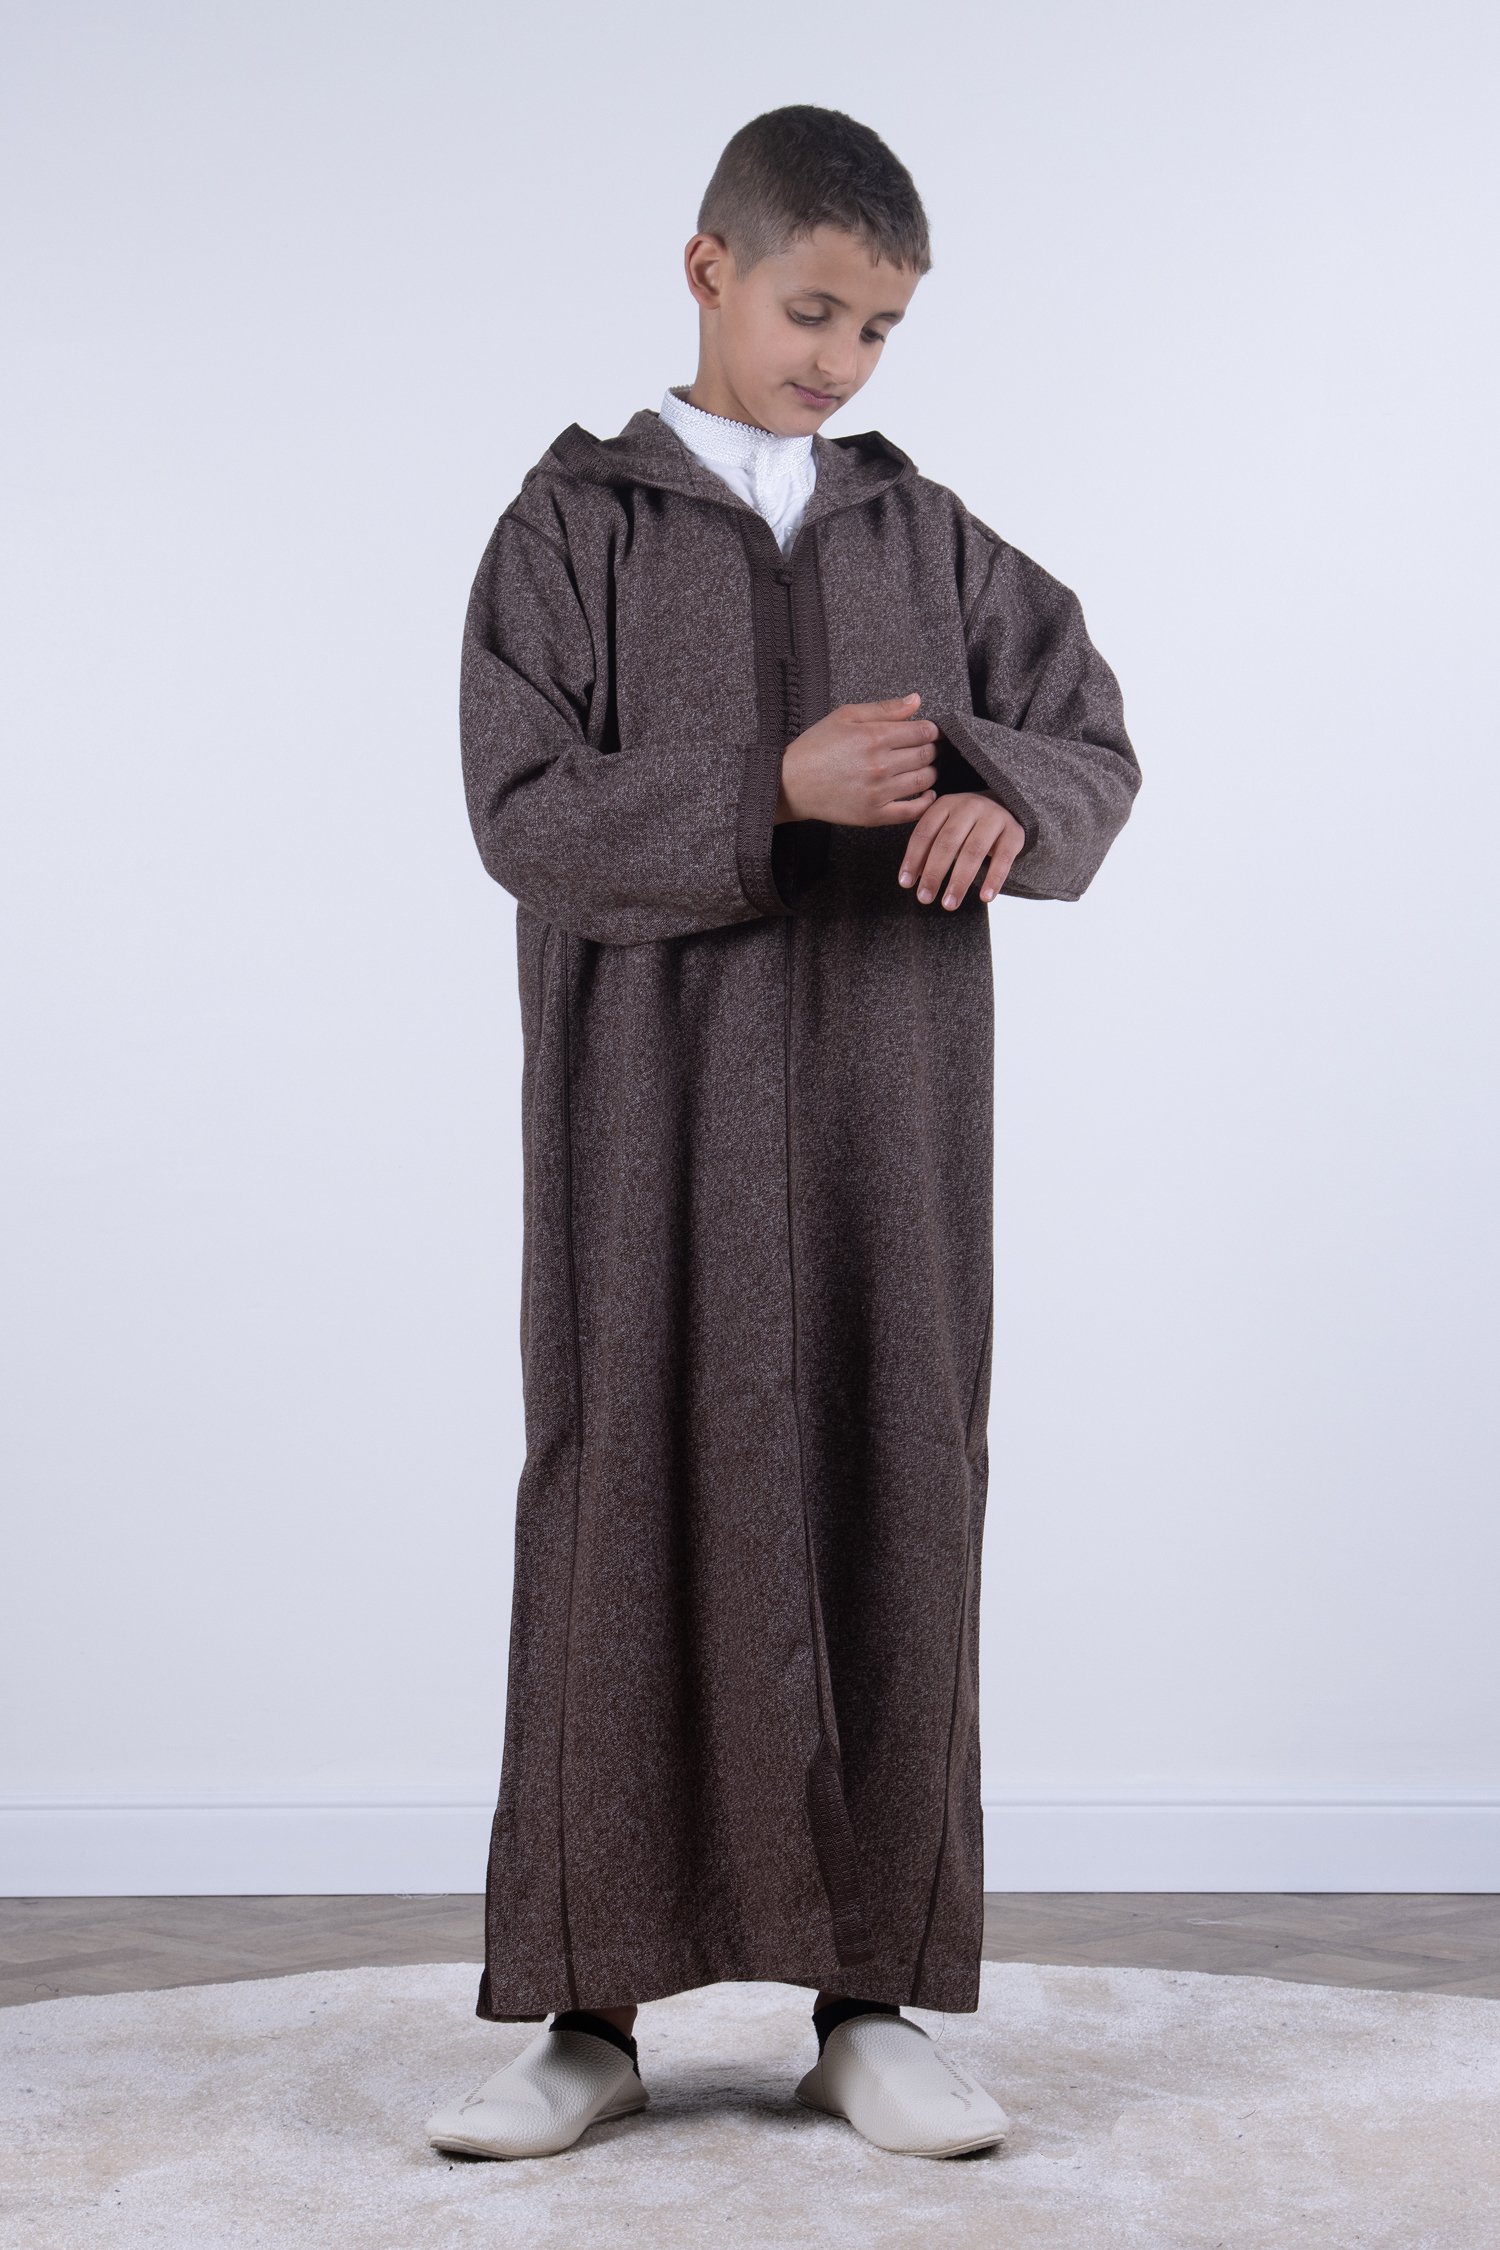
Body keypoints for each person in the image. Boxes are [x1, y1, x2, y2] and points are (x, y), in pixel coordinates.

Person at [426, 102, 1141, 2165]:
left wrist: (1000, 787)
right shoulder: (573, 526)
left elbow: (1092, 741)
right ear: (709, 271)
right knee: (624, 1493)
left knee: (896, 1484)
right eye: (813, 310)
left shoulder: (928, 536)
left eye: (881, 328)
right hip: (644, 1120)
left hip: (888, 1121)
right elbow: (523, 812)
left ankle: (871, 2004)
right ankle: (586, 2014)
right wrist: (772, 783)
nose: (841, 358)